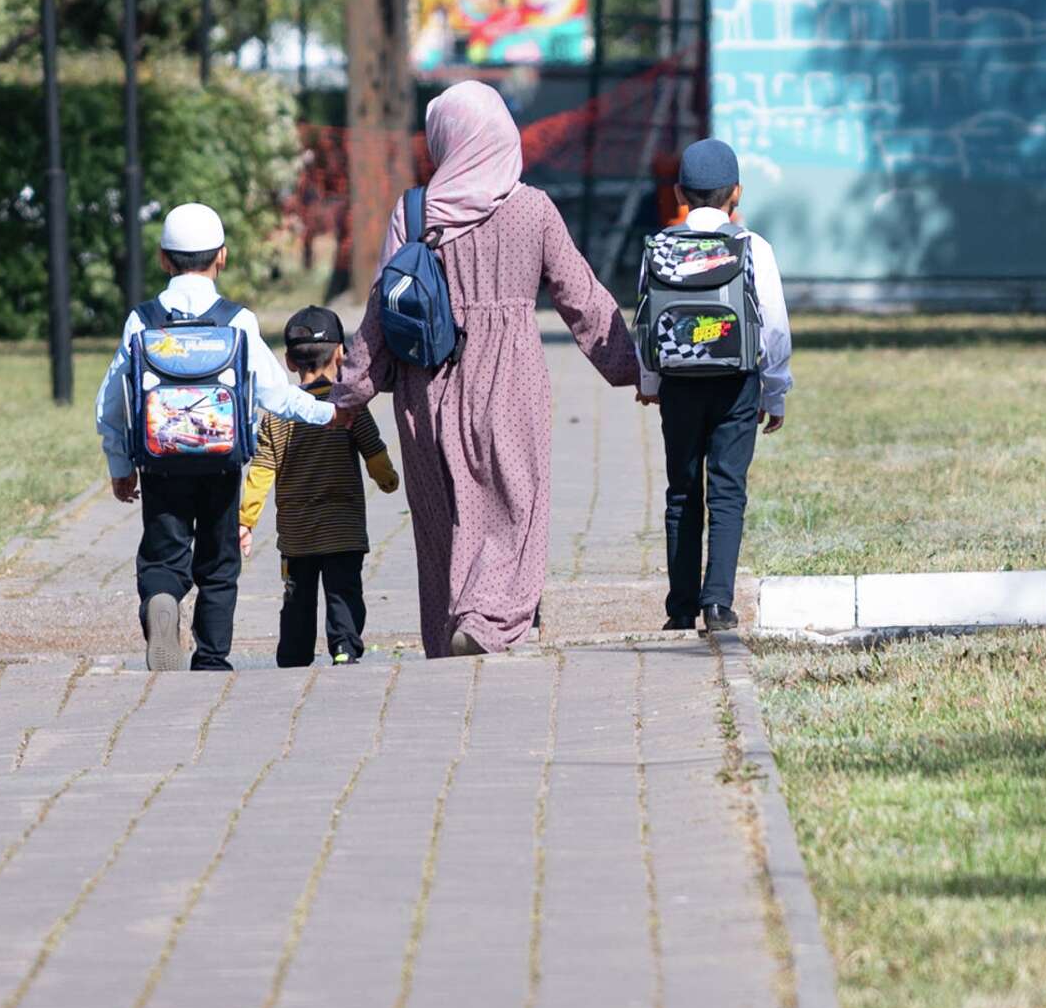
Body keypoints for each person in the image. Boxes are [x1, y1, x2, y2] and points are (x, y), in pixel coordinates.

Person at [330, 80, 638, 659]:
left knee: (441, 517)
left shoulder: (415, 211)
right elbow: (584, 299)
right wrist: (635, 370)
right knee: (513, 505)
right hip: (512, 381)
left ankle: (449, 631)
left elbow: (381, 311)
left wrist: (349, 396)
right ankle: (487, 618)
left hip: (427, 387)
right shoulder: (533, 210)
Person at [96, 203, 335, 671]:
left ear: (164, 260)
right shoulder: (237, 320)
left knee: (163, 553)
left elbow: (111, 402)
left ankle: (163, 599)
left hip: (161, 459)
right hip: (223, 459)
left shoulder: (142, 321)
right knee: (220, 562)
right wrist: (330, 412)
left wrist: (120, 467)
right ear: (221, 257)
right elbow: (276, 395)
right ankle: (211, 657)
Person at [636, 139, 794, 635]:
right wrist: (775, 390)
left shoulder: (659, 245)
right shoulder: (753, 247)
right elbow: (773, 328)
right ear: (737, 194)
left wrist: (650, 380)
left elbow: (644, 319)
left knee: (681, 492)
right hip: (736, 383)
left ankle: (679, 607)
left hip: (679, 384)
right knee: (727, 490)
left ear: (680, 192)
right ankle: (718, 604)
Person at [239, 307, 400, 668]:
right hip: (342, 525)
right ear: (341, 355)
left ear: (289, 361)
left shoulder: (277, 416)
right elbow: (374, 452)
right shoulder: (346, 407)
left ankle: (294, 654)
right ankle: (344, 647)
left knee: (297, 595)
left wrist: (245, 520)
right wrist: (387, 479)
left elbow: (260, 472)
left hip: (297, 533)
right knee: (344, 591)